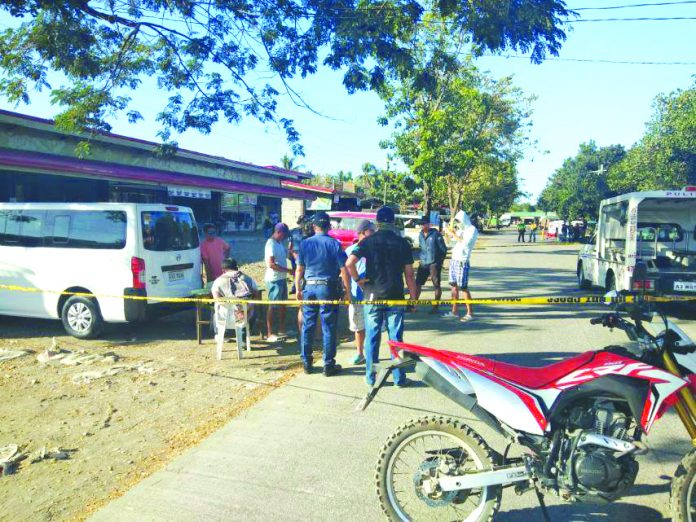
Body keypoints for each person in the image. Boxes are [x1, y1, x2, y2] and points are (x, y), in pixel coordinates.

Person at [346, 206, 418, 388]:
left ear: (377, 222)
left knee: (372, 336)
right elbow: (409, 274)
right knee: (395, 338)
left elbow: (349, 263)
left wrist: (358, 280)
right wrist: (413, 298)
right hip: (395, 295)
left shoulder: (369, 241)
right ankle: (399, 378)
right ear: (393, 222)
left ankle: (371, 378)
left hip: (372, 295)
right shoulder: (402, 243)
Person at [295, 211, 350, 376]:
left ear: (313, 226)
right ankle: (328, 364)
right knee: (328, 326)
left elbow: (299, 269)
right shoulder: (334, 244)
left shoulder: (304, 244)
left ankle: (306, 362)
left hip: (309, 287)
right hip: (327, 288)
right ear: (329, 226)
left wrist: (297, 288)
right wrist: (347, 290)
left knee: (308, 325)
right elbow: (343, 269)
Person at [211, 258, 260, 357]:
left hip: (225, 318)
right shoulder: (248, 279)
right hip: (244, 316)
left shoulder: (217, 281)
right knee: (253, 311)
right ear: (236, 267)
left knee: (215, 311)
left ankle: (220, 334)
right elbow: (256, 296)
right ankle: (242, 339)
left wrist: (231, 307)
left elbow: (217, 299)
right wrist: (246, 308)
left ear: (223, 269)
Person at [345, 219, 375, 365]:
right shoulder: (351, 250)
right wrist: (349, 290)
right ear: (363, 232)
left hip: (373, 293)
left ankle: (371, 353)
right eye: (371, 230)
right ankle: (359, 353)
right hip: (357, 294)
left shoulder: (376, 248)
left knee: (373, 325)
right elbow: (345, 269)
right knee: (358, 326)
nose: (374, 233)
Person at [443, 210, 478, 322]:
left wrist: (453, 234)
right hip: (454, 260)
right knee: (453, 286)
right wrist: (447, 233)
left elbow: (464, 243)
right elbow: (450, 243)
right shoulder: (461, 230)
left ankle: (470, 313)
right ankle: (454, 312)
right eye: (456, 221)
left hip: (462, 262)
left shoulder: (472, 230)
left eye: (459, 221)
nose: (458, 223)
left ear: (464, 220)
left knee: (463, 287)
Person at [264, 222, 292, 342]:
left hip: (282, 278)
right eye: (284, 235)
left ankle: (282, 329)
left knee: (282, 305)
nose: (285, 237)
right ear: (278, 232)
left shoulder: (279, 243)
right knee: (273, 306)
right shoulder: (271, 244)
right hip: (274, 279)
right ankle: (270, 333)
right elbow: (271, 264)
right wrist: (288, 270)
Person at [415, 216, 447, 314]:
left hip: (434, 263)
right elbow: (421, 248)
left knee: (436, 285)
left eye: (423, 224)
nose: (421, 226)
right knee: (417, 284)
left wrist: (439, 262)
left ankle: (435, 307)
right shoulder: (420, 235)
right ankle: (413, 304)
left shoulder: (436, 234)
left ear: (428, 224)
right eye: (420, 224)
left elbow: (443, 249)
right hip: (423, 263)